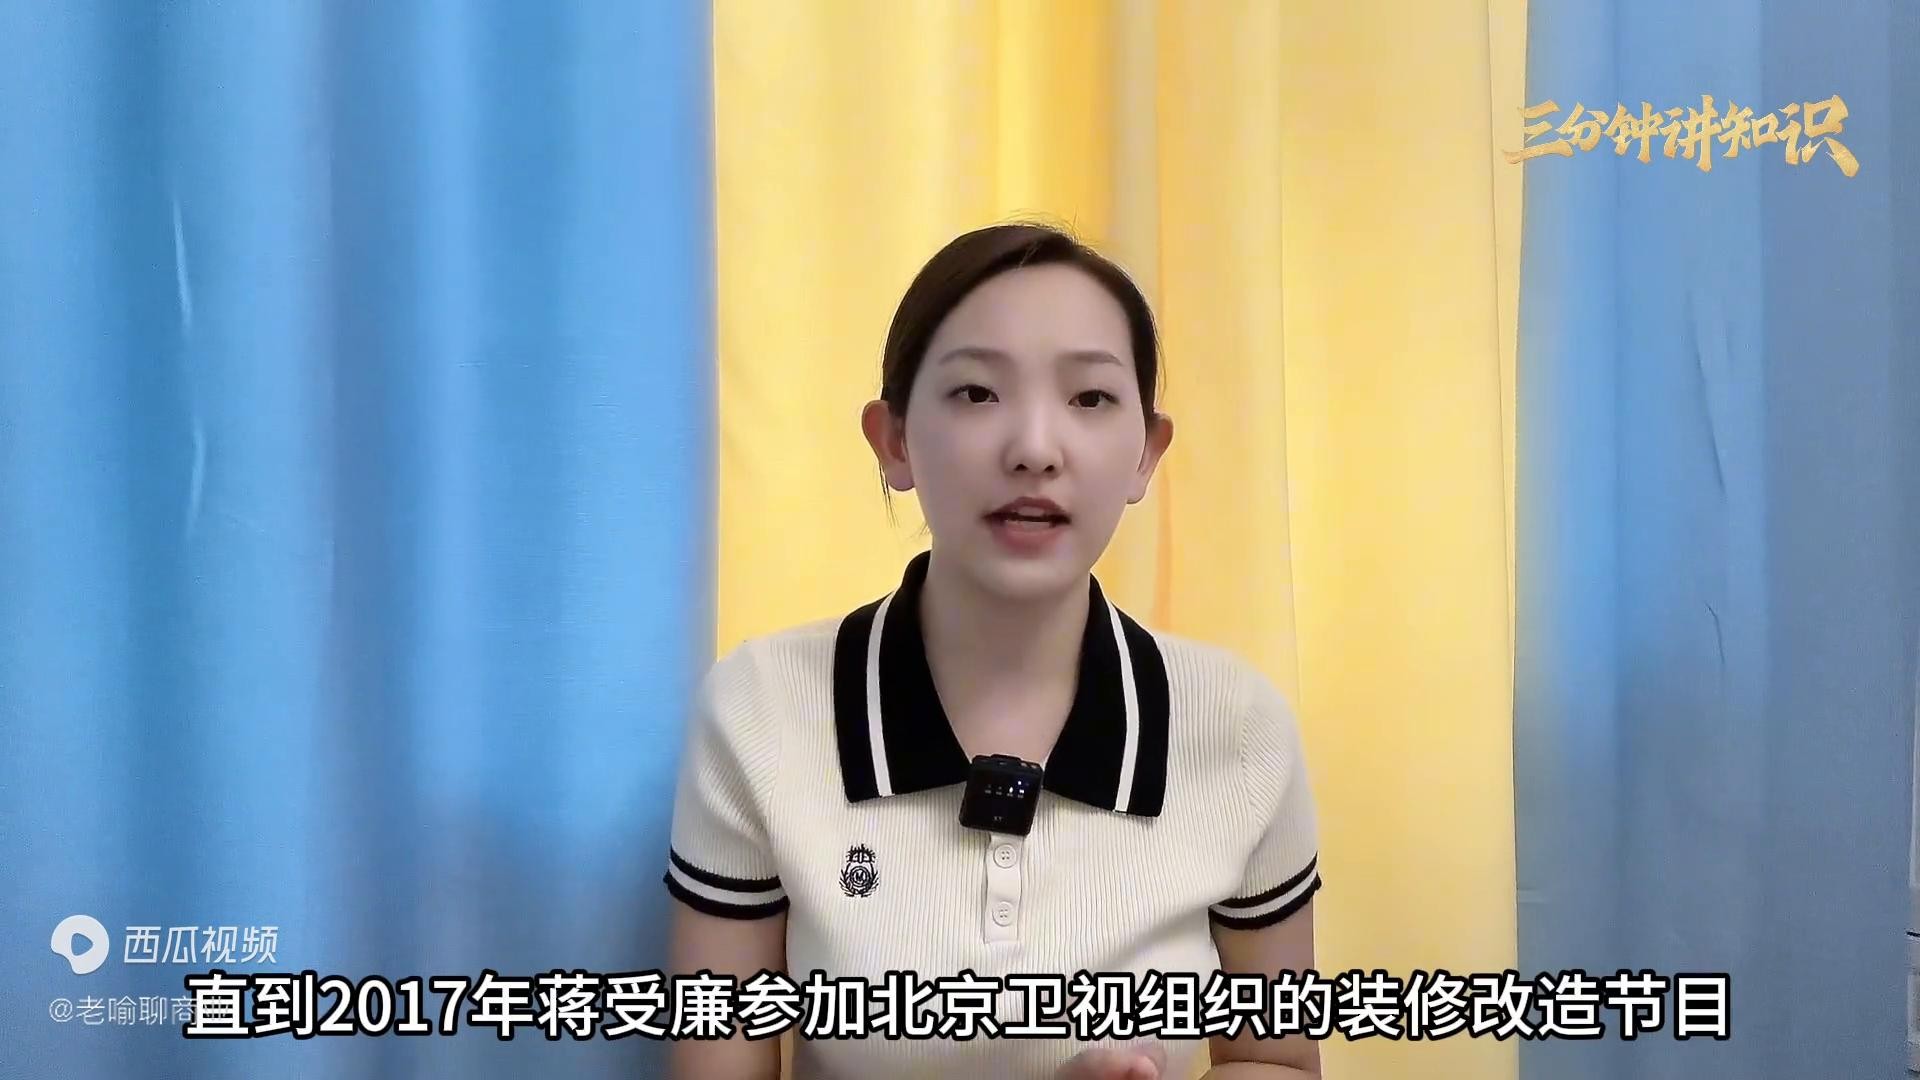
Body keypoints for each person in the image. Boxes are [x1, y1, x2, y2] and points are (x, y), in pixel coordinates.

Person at [662, 222, 1322, 1080]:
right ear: (894, 440)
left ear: (1146, 454)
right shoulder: (761, 711)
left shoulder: (1239, 728)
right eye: (977, 393)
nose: (1035, 450)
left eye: (1090, 398)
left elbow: (1278, 1061)